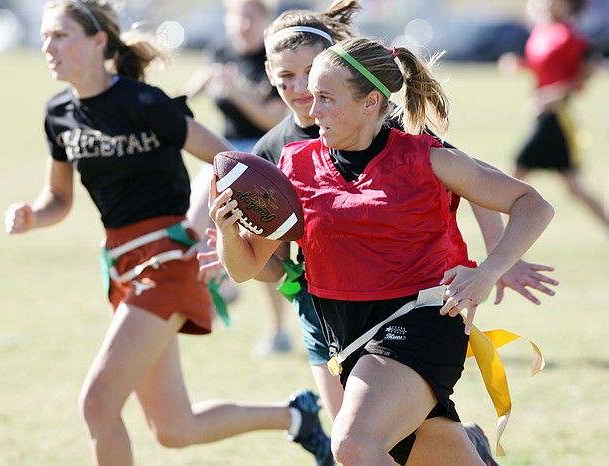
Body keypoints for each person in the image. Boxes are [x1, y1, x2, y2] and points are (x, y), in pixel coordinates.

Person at [202, 2, 556, 465]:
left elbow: (533, 204)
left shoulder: (427, 156)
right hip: (345, 338)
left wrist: (489, 271)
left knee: (352, 444)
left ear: (371, 102)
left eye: (326, 97)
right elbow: (248, 268)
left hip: (421, 323)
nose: (312, 107)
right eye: (309, 93)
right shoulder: (293, 164)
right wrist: (230, 231)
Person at [3, 1, 333, 465]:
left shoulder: (142, 103)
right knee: (175, 429)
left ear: (98, 41)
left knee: (97, 403)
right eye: (44, 37)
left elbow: (228, 164)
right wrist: (33, 216)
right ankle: (295, 415)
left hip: (169, 263)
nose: (47, 47)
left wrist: (226, 235)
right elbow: (57, 198)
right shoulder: (58, 113)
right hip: (120, 265)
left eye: (59, 35)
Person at [181, 0, 293, 357]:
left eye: (251, 16)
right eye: (236, 16)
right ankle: (223, 280)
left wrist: (234, 91)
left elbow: (272, 119)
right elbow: (195, 94)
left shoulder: (272, 58)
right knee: (194, 227)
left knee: (263, 246)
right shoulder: (220, 51)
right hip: (222, 156)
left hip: (263, 157)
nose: (243, 24)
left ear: (264, 19)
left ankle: (278, 332)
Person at [498, 0, 609, 231]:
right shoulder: (542, 31)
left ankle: (501, 241)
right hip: (543, 116)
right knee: (574, 187)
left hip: (556, 119)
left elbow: (588, 71)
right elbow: (543, 66)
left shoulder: (569, 36)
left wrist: (558, 92)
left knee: (509, 178)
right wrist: (520, 65)